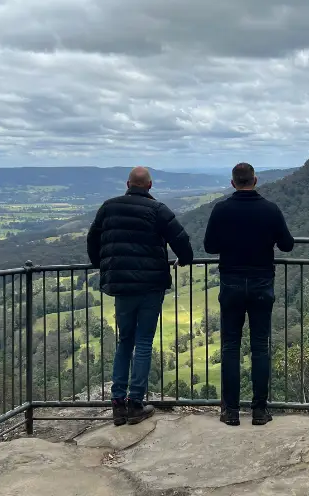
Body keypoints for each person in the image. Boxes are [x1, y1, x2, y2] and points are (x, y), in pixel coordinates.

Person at [87, 166, 194, 426]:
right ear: (149, 185)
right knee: (144, 342)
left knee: (125, 341)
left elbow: (93, 239)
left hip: (122, 287)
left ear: (127, 184)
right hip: (150, 285)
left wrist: (100, 264)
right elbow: (181, 239)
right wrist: (185, 259)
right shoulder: (157, 210)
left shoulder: (109, 207)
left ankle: (117, 404)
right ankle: (136, 403)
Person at [204, 162, 295, 426]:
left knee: (231, 347)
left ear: (233, 183)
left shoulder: (221, 209)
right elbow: (287, 245)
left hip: (231, 283)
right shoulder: (270, 209)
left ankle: (230, 411)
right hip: (261, 283)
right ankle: (259, 411)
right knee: (259, 347)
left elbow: (210, 246)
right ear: (255, 180)